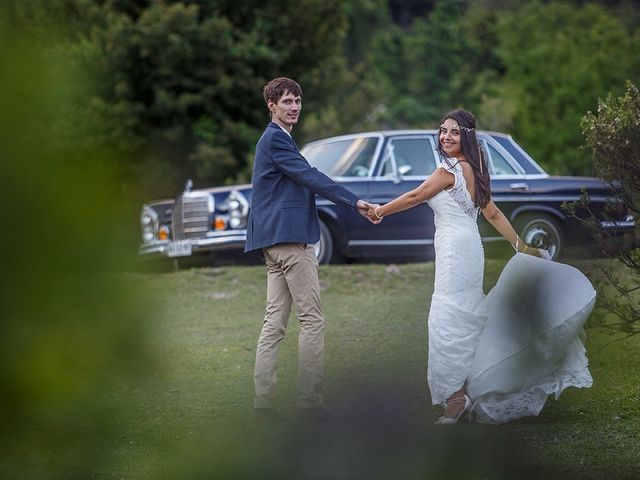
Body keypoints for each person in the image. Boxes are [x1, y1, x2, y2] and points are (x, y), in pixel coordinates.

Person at [366, 109, 594, 424]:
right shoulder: (476, 168)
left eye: (454, 132)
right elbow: (493, 214)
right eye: (443, 130)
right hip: (471, 246)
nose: (446, 136)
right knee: (467, 314)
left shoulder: (448, 170)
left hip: (454, 250)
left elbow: (417, 195)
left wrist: (380, 210)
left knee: (447, 318)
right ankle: (467, 388)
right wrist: (521, 246)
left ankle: (456, 399)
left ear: (467, 137)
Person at [245, 77, 374, 422]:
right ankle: (309, 403)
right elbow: (311, 175)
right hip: (290, 244)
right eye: (287, 101)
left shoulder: (275, 140)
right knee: (312, 320)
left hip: (272, 244)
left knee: (274, 323)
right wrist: (354, 201)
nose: (294, 107)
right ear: (271, 105)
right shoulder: (276, 140)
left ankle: (263, 402)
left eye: (298, 101)